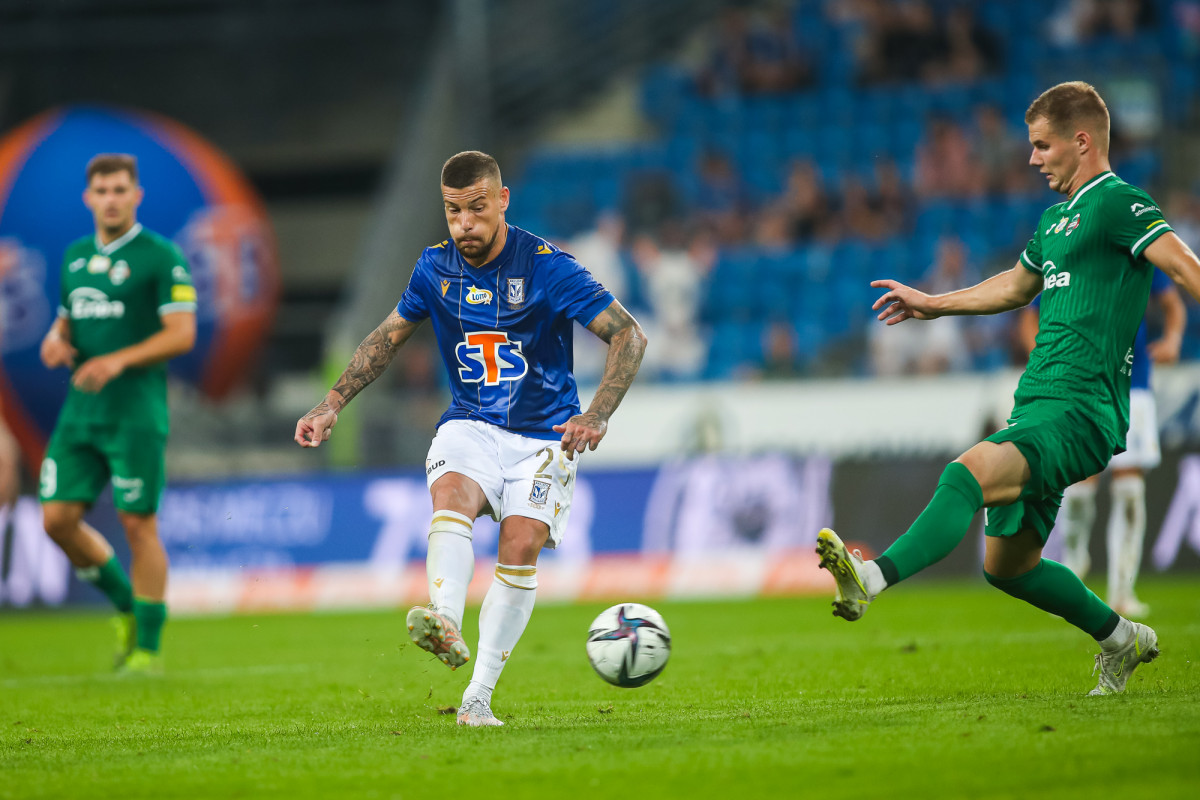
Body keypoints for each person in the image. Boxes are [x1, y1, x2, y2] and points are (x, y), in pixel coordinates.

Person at [817, 81, 1200, 696]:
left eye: (1042, 145)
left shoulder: (1119, 202)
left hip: (1082, 407)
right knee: (1009, 567)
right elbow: (1016, 287)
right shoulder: (1054, 220)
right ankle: (1121, 639)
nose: (1032, 158)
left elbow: (1183, 266)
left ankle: (873, 578)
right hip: (1038, 401)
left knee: (965, 474)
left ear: (1082, 141)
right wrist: (933, 303)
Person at [295, 151, 647, 726]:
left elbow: (629, 335)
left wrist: (598, 413)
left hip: (545, 436)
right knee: (452, 495)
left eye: (477, 209)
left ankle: (477, 700)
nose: (464, 224)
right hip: (470, 422)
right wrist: (331, 402)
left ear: (502, 201)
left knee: (521, 545)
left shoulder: (548, 267)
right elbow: (386, 338)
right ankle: (445, 619)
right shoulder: (433, 267)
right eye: (453, 211)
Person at [38, 153, 197, 674]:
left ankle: (146, 651)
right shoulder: (75, 257)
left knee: (138, 524)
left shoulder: (160, 256)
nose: (111, 199)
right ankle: (128, 606)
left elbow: (182, 333)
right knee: (56, 520)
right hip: (80, 413)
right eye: (102, 191)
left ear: (136, 196)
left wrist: (117, 360)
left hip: (135, 413)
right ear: (88, 198)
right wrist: (55, 340)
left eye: (120, 190)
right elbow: (67, 321)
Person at [1018, 273, 1186, 617]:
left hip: (1132, 387)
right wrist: (1044, 356)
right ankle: (1073, 566)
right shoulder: (1076, 254)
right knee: (1080, 489)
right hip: (1082, 387)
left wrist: (1172, 339)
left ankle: (1122, 590)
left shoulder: (1139, 252)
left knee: (1129, 490)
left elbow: (1173, 304)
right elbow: (1030, 314)